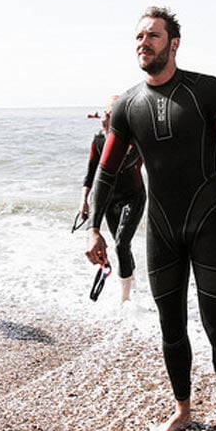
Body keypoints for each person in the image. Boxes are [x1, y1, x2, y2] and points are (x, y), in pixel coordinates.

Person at [85, 7, 216, 431]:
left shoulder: (206, 91)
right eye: (139, 36)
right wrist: (93, 229)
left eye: (153, 36)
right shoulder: (127, 106)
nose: (143, 42)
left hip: (208, 225)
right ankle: (183, 409)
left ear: (174, 43)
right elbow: (105, 172)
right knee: (170, 326)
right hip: (161, 229)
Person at [78, 95, 146, 303]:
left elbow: (119, 163)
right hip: (108, 200)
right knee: (121, 246)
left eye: (111, 116)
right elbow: (91, 174)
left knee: (121, 244)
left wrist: (111, 132)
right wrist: (84, 201)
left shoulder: (135, 139)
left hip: (133, 198)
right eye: (106, 114)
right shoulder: (98, 139)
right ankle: (131, 284)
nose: (106, 118)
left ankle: (125, 300)